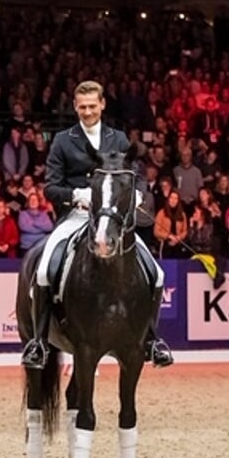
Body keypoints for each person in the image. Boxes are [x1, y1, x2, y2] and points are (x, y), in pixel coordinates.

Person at [21, 80, 173, 369]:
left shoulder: (118, 138)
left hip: (113, 219)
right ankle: (39, 343)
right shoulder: (63, 140)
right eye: (82, 107)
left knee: (157, 273)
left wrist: (138, 192)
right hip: (76, 215)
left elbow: (136, 175)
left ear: (102, 104)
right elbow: (51, 188)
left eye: (92, 106)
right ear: (75, 108)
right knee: (43, 269)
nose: (88, 111)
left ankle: (152, 339)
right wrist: (78, 195)